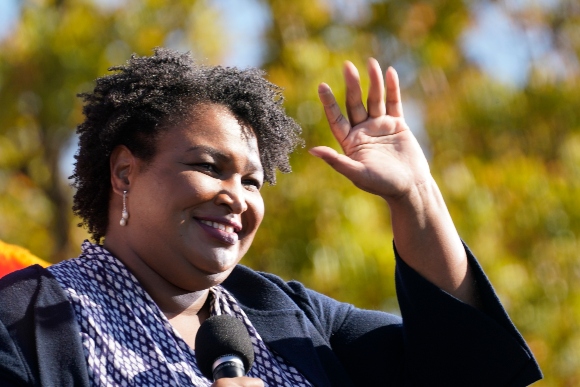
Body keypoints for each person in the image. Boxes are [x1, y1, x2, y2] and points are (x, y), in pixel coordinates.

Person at [0, 48, 541, 387]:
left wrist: (415, 196)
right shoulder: (21, 321)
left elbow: (466, 369)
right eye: (209, 167)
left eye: (253, 181)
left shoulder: (288, 315)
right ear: (124, 173)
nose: (237, 196)